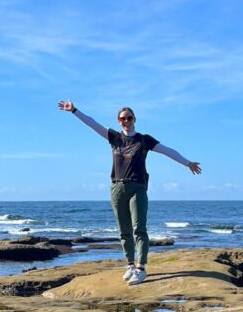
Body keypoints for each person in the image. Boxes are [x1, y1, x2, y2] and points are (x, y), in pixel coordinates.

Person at [58, 100, 201, 286]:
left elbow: (167, 151)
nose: (126, 121)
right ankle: (130, 265)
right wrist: (74, 111)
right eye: (122, 118)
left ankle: (141, 268)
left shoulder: (143, 140)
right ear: (118, 121)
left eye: (129, 118)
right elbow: (92, 124)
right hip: (117, 187)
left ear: (134, 120)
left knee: (139, 228)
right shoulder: (114, 138)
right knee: (124, 231)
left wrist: (188, 163)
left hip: (138, 187)